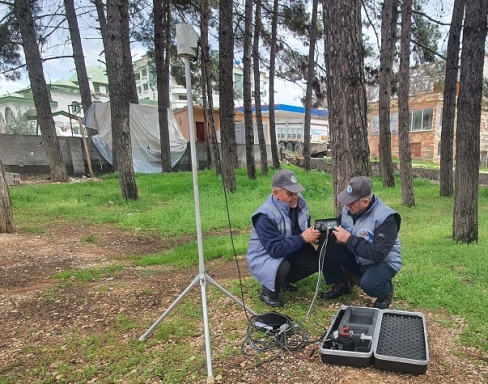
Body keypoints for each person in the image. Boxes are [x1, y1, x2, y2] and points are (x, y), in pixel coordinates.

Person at [321, 176, 402, 309]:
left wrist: (348, 239)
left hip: (381, 262)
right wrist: (322, 232)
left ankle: (386, 292)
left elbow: (378, 253)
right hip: (358, 256)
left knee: (369, 285)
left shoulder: (386, 218)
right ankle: (342, 284)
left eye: (351, 203)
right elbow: (338, 228)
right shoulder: (348, 210)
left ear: (365, 202)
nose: (346, 206)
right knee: (325, 248)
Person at [246, 170, 321, 307]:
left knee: (316, 261)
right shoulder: (264, 215)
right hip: (264, 256)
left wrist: (311, 235)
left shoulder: (299, 203)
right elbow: (274, 250)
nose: (295, 197)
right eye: (290, 193)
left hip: (287, 248)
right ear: (276, 193)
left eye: (296, 192)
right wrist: (303, 238)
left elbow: (300, 227)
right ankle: (267, 292)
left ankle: (283, 281)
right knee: (282, 266)